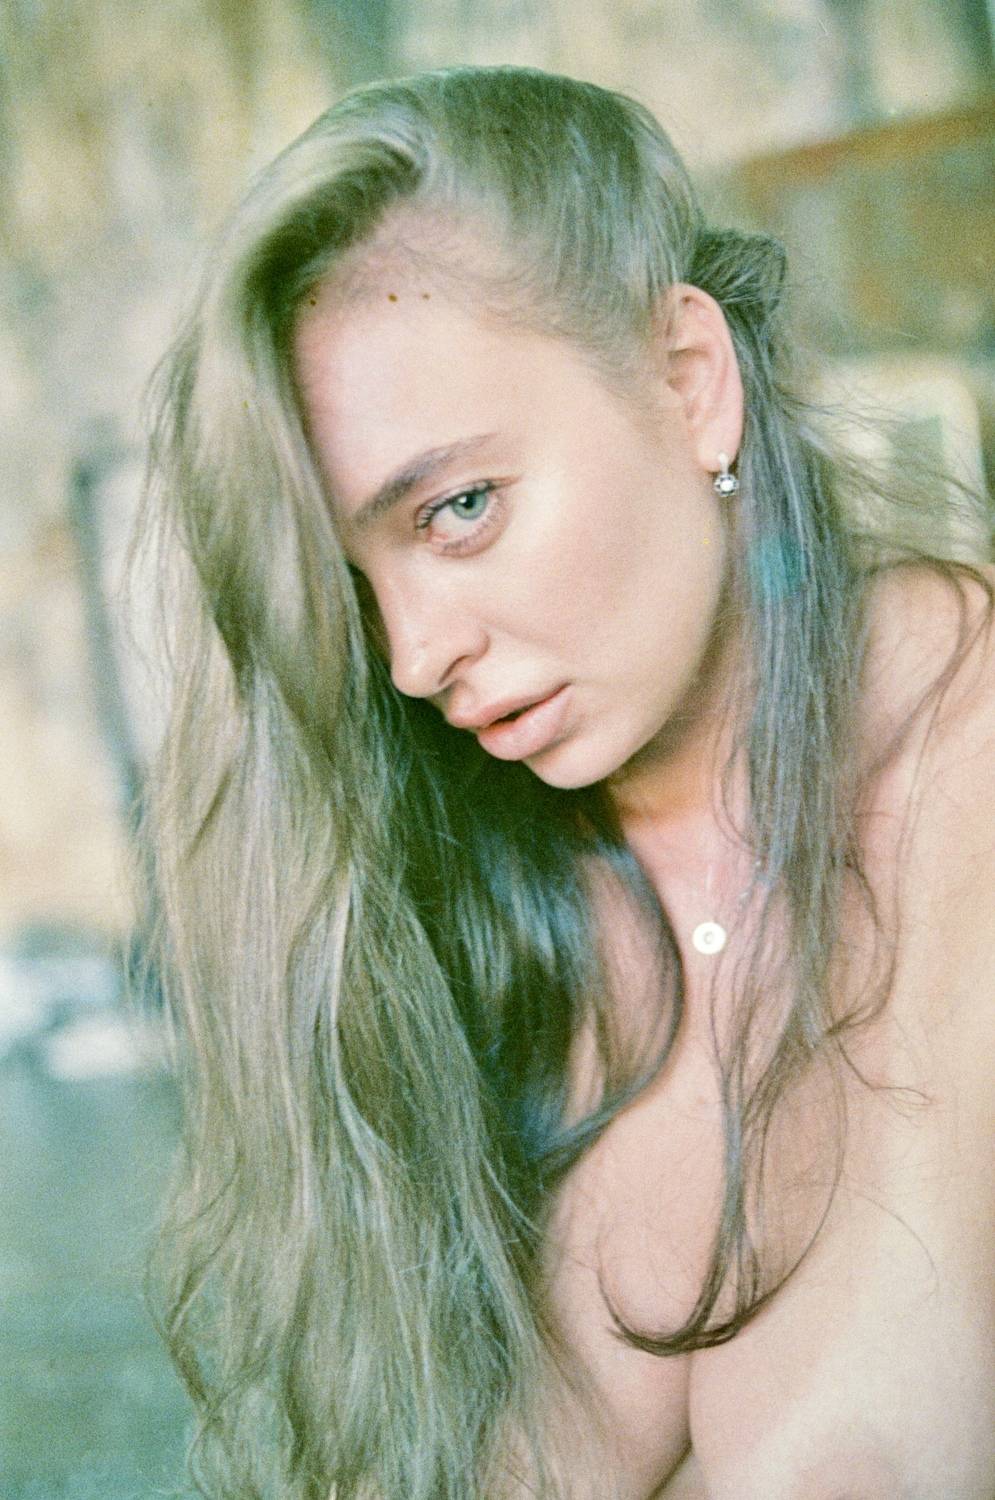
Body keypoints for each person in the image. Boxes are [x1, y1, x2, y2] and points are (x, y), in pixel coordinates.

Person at [132, 64, 995, 1500]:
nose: (415, 657)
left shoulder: (973, 770)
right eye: (354, 589)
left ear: (690, 382)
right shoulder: (489, 903)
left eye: (459, 508)